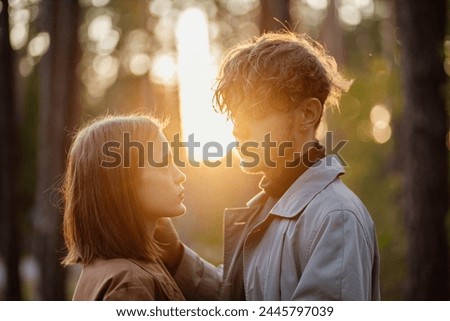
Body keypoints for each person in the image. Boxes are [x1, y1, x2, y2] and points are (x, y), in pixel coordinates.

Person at [155, 31, 381, 300]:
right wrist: (176, 256)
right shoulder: (266, 207)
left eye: (253, 113)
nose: (237, 130)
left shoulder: (335, 218)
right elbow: (237, 298)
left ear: (307, 114)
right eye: (235, 116)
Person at [62, 115, 186, 300]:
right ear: (124, 183)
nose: (180, 175)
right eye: (164, 163)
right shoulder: (130, 283)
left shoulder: (107, 269)